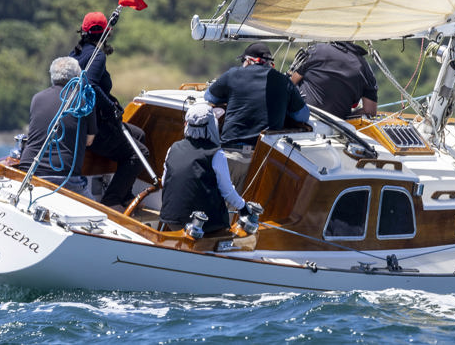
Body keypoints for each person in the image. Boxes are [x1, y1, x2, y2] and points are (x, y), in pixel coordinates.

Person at [204, 42, 309, 191]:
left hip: (229, 156)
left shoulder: (233, 74)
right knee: (246, 211)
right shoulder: (283, 81)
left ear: (248, 60)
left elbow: (209, 96)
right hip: (262, 163)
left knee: (215, 209)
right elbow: (303, 116)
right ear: (269, 64)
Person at [70, 10, 148, 208]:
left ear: (83, 32)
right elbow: (91, 85)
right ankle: (112, 200)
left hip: (77, 124)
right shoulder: (97, 57)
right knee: (140, 154)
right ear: (107, 32)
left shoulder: (74, 55)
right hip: (94, 128)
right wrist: (111, 106)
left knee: (138, 135)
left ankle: (125, 193)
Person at [160, 103, 249, 234]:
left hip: (171, 220)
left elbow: (164, 182)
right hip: (205, 226)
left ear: (186, 125)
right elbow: (227, 192)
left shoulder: (173, 148)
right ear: (212, 125)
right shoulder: (216, 154)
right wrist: (244, 208)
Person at [18, 56, 97, 196]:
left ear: (52, 77)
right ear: (77, 77)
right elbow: (89, 141)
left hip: (28, 170)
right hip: (64, 177)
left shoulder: (37, 98)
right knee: (100, 216)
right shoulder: (83, 101)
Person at [289, 41, 378, 119]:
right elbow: (370, 111)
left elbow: (290, 84)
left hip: (303, 119)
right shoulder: (363, 66)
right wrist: (347, 116)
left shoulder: (316, 51)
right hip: (337, 126)